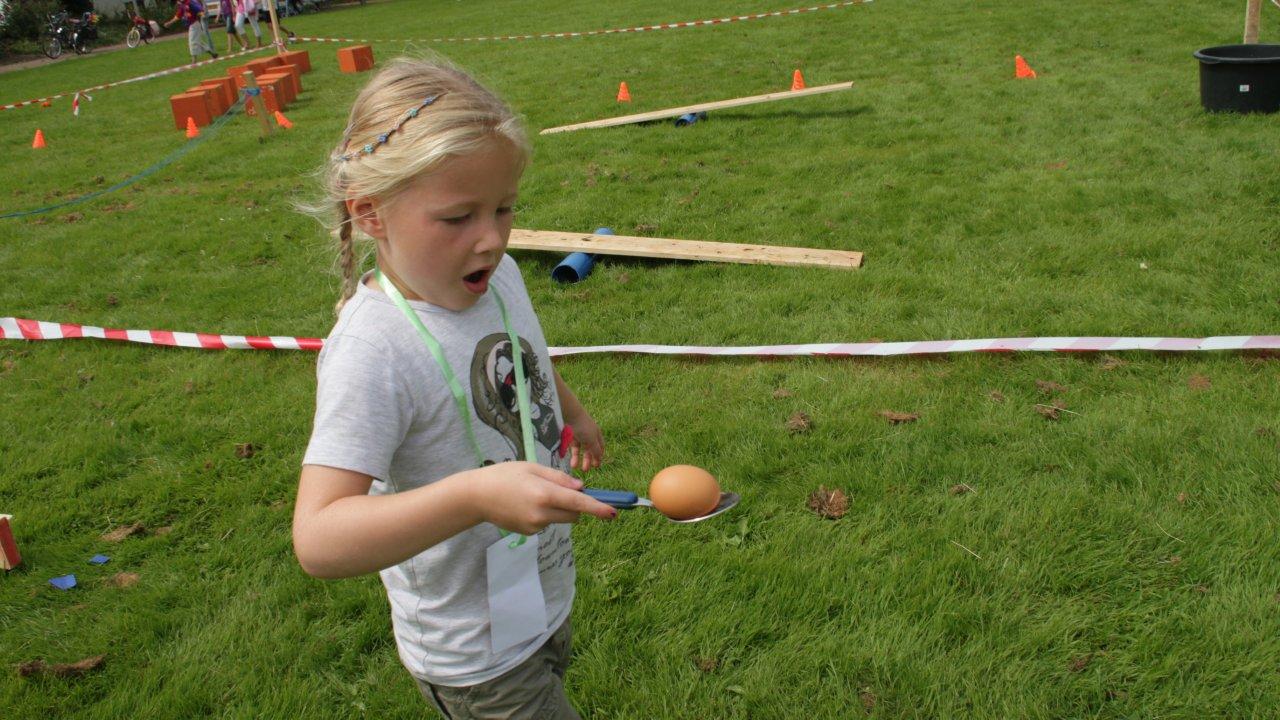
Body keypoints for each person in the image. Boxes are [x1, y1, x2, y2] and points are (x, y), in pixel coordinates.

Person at [293, 57, 617, 719]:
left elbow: (523, 354)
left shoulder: (499, 278)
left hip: (540, 595)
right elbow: (318, 538)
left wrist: (573, 412)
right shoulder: (373, 351)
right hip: (474, 654)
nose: (492, 239)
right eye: (458, 217)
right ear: (371, 213)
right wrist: (474, 496)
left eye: (504, 208)